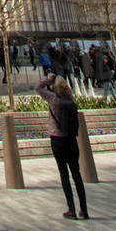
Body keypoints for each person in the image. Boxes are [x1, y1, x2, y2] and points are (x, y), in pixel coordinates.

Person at [38, 74, 88, 220]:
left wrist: (47, 79)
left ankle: (71, 209)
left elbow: (38, 88)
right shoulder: (71, 101)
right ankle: (84, 210)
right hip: (72, 140)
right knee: (77, 175)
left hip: (58, 140)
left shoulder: (54, 100)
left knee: (64, 175)